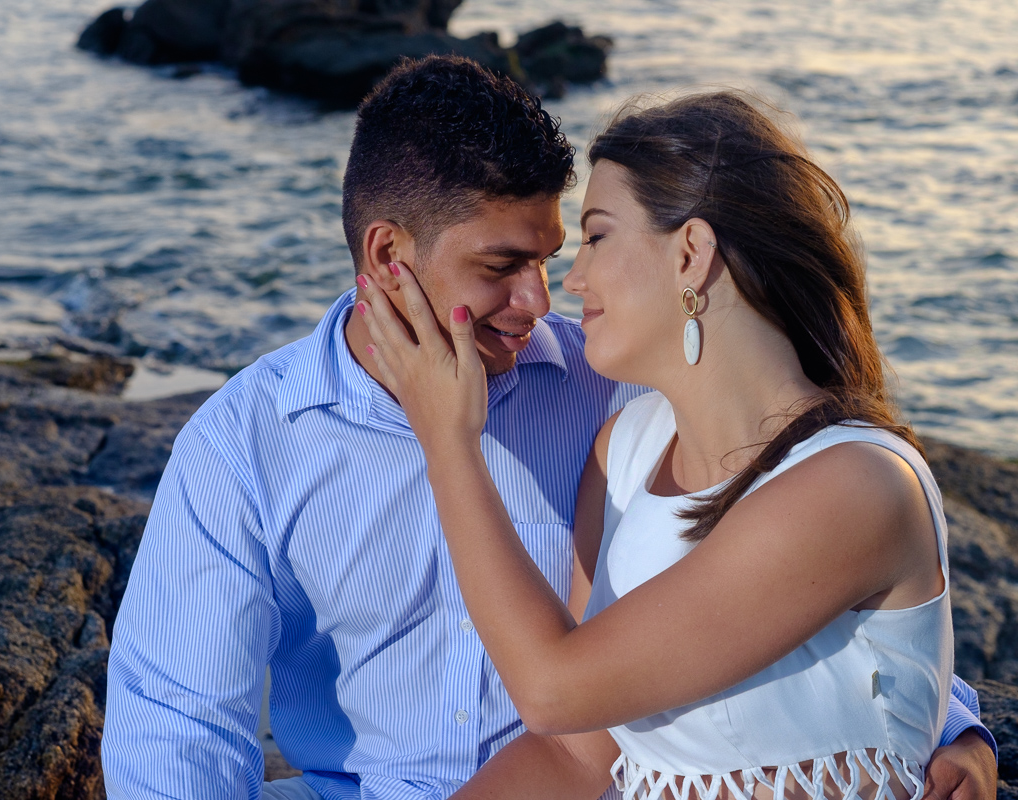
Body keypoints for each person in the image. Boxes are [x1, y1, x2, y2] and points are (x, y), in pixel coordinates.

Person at [100, 57, 996, 800]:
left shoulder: (610, 386)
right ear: (387, 256)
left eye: (560, 253)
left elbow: (794, 568)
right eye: (503, 265)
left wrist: (943, 720)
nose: (542, 299)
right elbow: (176, 733)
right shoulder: (246, 442)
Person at [353, 89, 998, 800]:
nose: (570, 281)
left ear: (691, 252)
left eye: (596, 237)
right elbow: (572, 754)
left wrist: (449, 443)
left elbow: (552, 689)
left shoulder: (852, 484)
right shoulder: (621, 454)